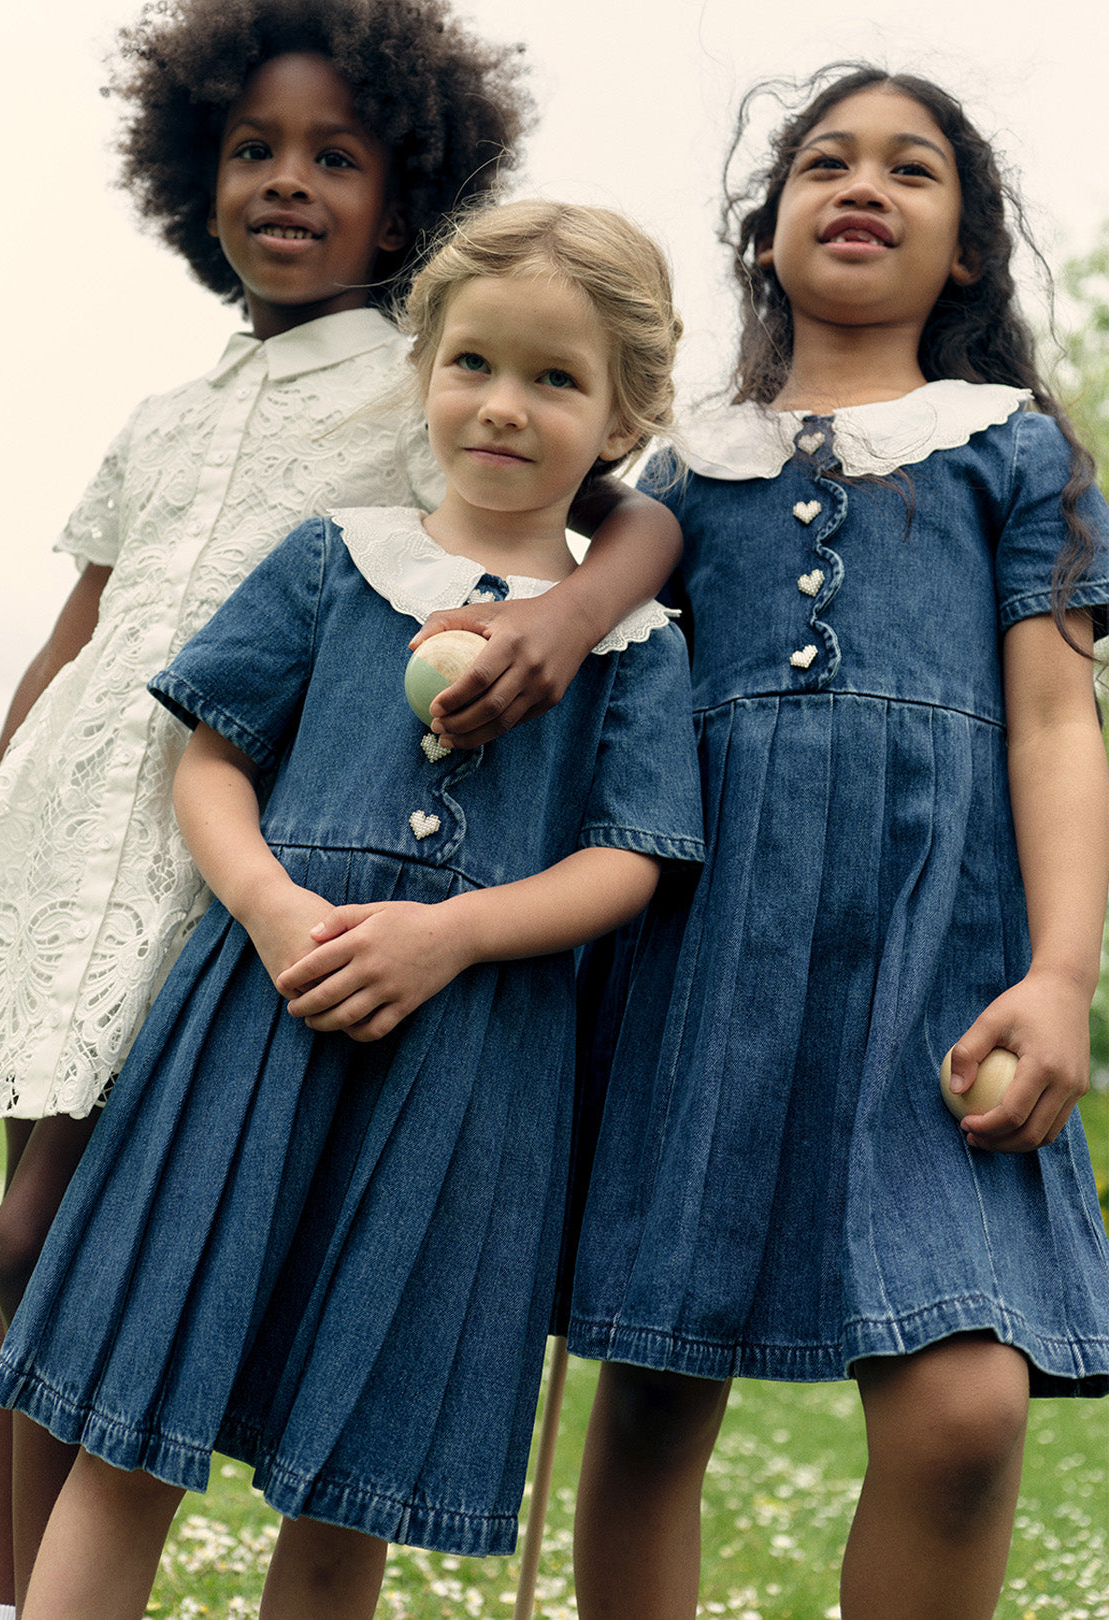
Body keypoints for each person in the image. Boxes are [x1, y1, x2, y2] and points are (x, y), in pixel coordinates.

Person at [0, 8, 680, 1616]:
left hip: (241, 871)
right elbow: (73, 642)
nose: (285, 181)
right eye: (252, 148)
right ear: (196, 172)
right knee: (17, 1241)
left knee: (68, 1237)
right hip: (83, 844)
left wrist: (567, 615)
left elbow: (625, 521)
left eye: (333, 155)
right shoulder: (169, 412)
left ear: (403, 207)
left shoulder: (421, 382)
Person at [553, 65, 1109, 1620]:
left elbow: (1060, 727)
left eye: (911, 168)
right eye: (824, 161)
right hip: (701, 955)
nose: (861, 182)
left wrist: (1064, 970)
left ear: (971, 253)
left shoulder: (1016, 451)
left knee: (963, 1408)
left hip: (939, 966)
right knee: (657, 1386)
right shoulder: (687, 468)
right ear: (768, 230)